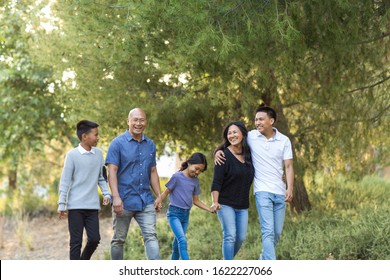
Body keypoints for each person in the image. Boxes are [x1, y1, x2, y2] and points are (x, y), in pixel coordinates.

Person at [215, 105, 294, 260]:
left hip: (280, 191)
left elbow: (289, 166)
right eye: (256, 119)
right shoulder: (251, 136)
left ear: (271, 121)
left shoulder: (284, 140)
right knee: (268, 231)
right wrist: (218, 151)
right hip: (262, 190)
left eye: (261, 119)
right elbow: (232, 141)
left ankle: (263, 261)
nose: (257, 122)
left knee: (276, 233)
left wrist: (289, 188)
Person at [105, 108, 162, 260]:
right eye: (135, 120)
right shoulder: (117, 144)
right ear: (128, 121)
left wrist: (159, 196)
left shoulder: (150, 144)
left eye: (142, 120)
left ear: (146, 122)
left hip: (146, 200)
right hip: (124, 201)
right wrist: (115, 197)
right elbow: (112, 171)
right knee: (118, 240)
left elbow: (153, 172)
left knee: (151, 235)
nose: (138, 123)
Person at [57, 120, 111, 260]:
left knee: (94, 239)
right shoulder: (72, 155)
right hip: (75, 207)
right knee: (75, 243)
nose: (98, 137)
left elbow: (101, 177)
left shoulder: (98, 154)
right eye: (95, 134)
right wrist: (62, 204)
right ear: (84, 136)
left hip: (92, 206)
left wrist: (106, 193)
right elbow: (65, 181)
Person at [211, 121, 255, 260]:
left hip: (242, 205)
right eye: (229, 133)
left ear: (243, 133)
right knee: (230, 235)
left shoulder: (249, 155)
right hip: (225, 204)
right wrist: (215, 202)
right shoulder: (223, 155)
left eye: (235, 132)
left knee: (240, 238)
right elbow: (216, 182)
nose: (232, 135)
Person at [161, 152, 215, 260]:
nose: (197, 172)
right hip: (174, 214)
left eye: (200, 171)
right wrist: (158, 202)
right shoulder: (177, 177)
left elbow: (196, 200)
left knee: (177, 244)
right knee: (182, 240)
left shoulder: (195, 181)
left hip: (186, 216)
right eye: (196, 168)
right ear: (190, 163)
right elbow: (166, 192)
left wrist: (209, 209)